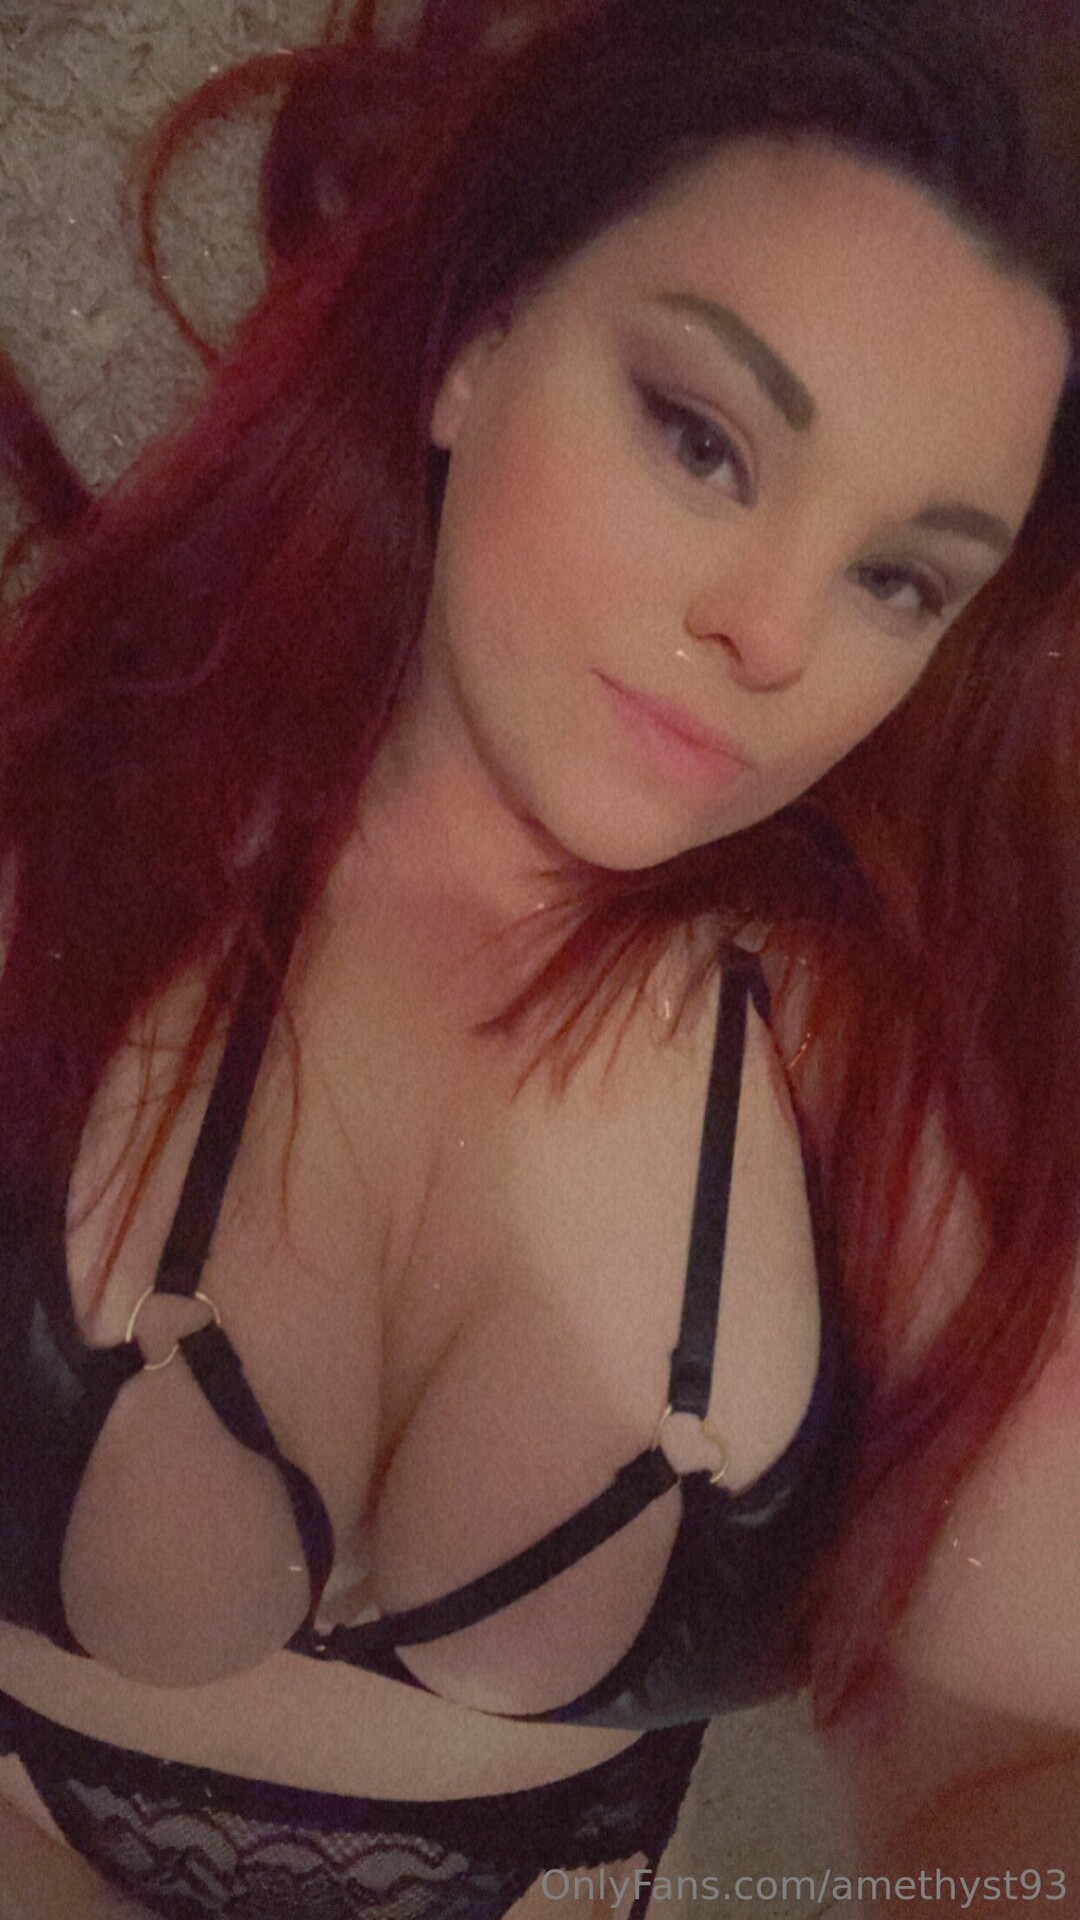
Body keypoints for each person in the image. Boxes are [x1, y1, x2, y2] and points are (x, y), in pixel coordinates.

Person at [0, 0, 1076, 1914]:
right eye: (703, 439)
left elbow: (1013, 1755)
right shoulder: (54, 854)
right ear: (477, 343)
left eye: (898, 575)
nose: (771, 633)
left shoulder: (864, 1057)